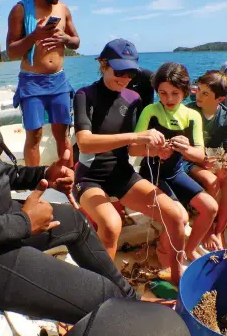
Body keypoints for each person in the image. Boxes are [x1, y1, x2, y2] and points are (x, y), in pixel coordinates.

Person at [0, 0, 176, 330]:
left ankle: (131, 301)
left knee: (71, 220)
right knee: (101, 296)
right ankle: (121, 311)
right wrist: (21, 225)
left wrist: (39, 174)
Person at [73, 38, 186, 285]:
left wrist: (156, 151)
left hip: (122, 176)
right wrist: (137, 136)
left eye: (130, 72)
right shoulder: (84, 95)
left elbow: (133, 148)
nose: (124, 77)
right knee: (112, 226)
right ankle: (98, 291)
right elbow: (85, 142)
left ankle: (179, 284)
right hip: (90, 178)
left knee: (176, 216)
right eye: (119, 70)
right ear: (103, 64)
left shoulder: (133, 98)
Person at [129, 62, 219, 264]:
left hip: (176, 173)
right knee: (181, 216)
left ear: (186, 92)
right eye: (163, 93)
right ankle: (163, 253)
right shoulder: (150, 111)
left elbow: (199, 154)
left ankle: (190, 248)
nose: (168, 99)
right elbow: (133, 149)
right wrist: (155, 150)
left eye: (175, 93)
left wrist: (185, 149)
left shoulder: (192, 116)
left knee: (210, 207)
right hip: (152, 173)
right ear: (156, 92)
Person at [6, 0, 80, 168]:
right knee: (35, 135)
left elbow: (76, 41)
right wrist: (34, 36)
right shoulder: (20, 10)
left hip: (59, 81)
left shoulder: (63, 9)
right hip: (31, 82)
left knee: (63, 133)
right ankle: (34, 183)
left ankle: (67, 179)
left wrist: (66, 38)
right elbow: (11, 51)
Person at [182, 70, 227, 251]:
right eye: (198, 90)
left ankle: (218, 230)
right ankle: (207, 229)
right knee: (212, 180)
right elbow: (181, 148)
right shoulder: (189, 112)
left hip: (213, 159)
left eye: (205, 93)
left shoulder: (224, 117)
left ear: (220, 99)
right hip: (189, 161)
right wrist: (201, 161)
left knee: (225, 177)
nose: (198, 95)